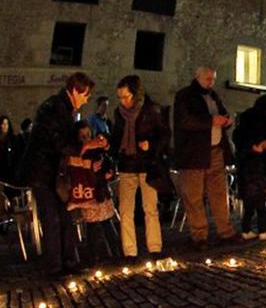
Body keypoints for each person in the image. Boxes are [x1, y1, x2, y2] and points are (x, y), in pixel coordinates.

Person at [18, 72, 102, 276]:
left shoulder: (64, 109)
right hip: (41, 172)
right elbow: (60, 143)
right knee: (52, 218)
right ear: (74, 90)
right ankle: (55, 266)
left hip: (54, 172)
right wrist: (86, 145)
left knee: (64, 216)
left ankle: (69, 262)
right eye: (85, 94)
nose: (86, 99)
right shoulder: (54, 108)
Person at [172, 65, 238, 250]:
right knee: (194, 196)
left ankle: (226, 231)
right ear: (197, 76)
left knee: (219, 194)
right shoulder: (184, 96)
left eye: (213, 79)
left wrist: (226, 121)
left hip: (215, 151)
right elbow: (184, 121)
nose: (211, 82)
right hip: (193, 153)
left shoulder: (214, 95)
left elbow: (221, 114)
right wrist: (210, 121)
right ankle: (199, 236)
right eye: (208, 79)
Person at [111, 75, 169, 259]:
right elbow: (116, 136)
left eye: (126, 96)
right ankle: (130, 251)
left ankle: (155, 247)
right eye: (120, 97)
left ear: (135, 94)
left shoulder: (151, 110)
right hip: (126, 164)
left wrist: (151, 145)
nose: (123, 101)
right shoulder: (119, 113)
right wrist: (109, 146)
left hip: (147, 164)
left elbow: (164, 135)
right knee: (125, 210)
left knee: (150, 208)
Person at [67, 122, 121, 266]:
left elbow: (108, 160)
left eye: (88, 135)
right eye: (83, 136)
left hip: (101, 191)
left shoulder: (97, 149)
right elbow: (78, 170)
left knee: (107, 223)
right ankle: (94, 257)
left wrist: (108, 173)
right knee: (92, 226)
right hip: (88, 192)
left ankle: (115, 254)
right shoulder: (77, 153)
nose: (87, 139)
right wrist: (91, 169)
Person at [234, 94, 266, 239]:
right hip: (256, 169)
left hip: (255, 169)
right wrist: (254, 148)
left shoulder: (264, 123)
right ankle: (262, 230)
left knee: (251, 202)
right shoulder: (253, 125)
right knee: (259, 202)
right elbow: (242, 142)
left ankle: (248, 229)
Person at [0, 115, 19, 187]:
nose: (5, 126)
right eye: (3, 124)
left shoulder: (13, 140)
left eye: (6, 124)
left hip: (10, 173)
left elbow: (16, 157)